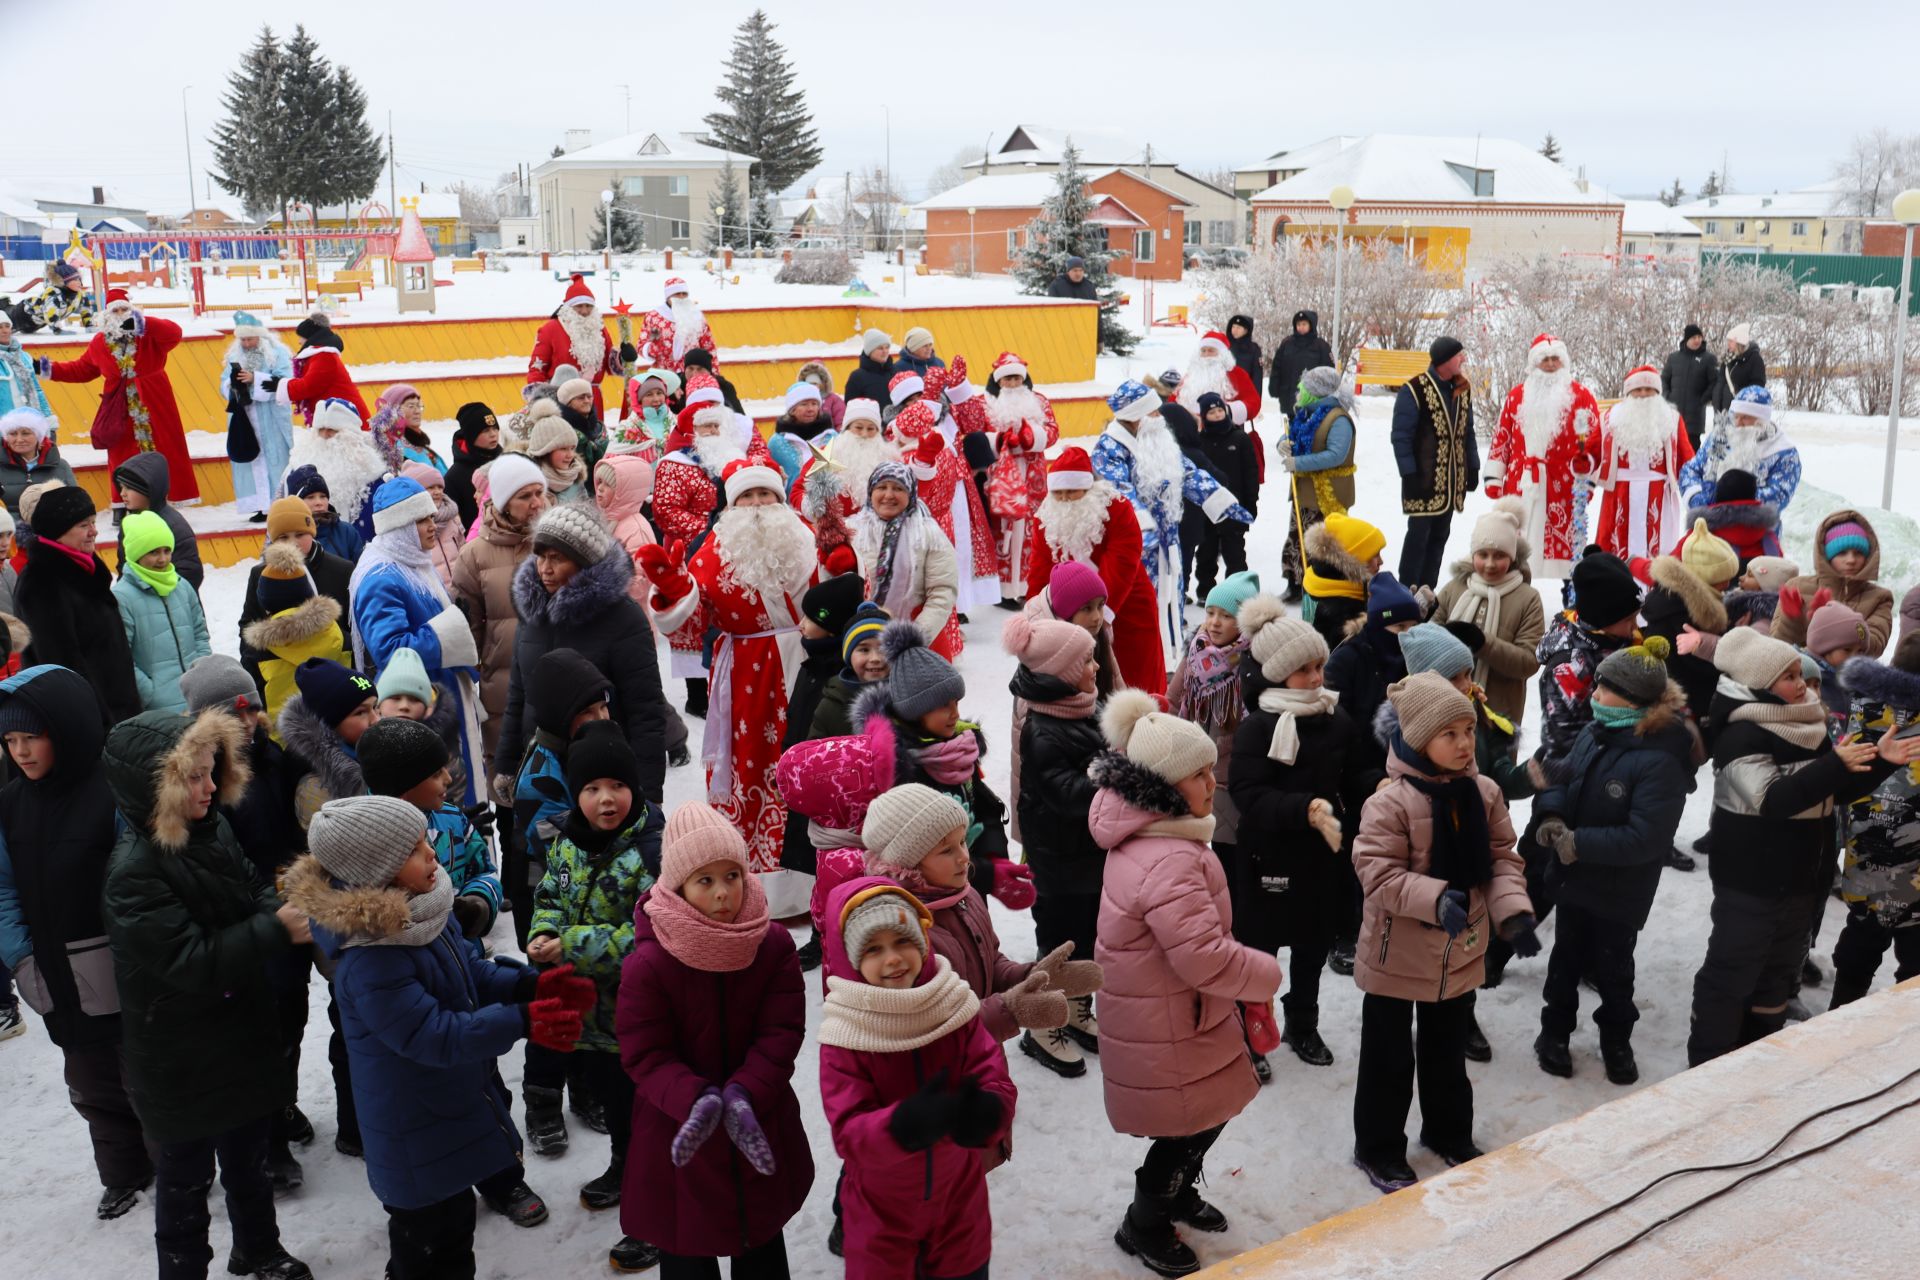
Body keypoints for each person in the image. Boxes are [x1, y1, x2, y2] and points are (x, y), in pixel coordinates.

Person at [284, 795, 576, 1278]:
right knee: (427, 1252)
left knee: (455, 1236)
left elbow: (469, 973)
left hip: (446, 1111)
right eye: (415, 848)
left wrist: (529, 983)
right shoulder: (372, 959)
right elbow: (434, 1036)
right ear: (378, 872)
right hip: (413, 1135)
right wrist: (524, 1020)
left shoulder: (419, 915)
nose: (432, 853)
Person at [102, 707, 313, 1280]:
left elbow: (251, 885)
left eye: (210, 771)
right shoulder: (134, 872)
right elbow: (186, 961)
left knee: (248, 1161)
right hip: (179, 1058)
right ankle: (184, 1267)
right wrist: (276, 930)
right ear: (158, 787)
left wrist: (277, 910)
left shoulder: (211, 826)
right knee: (185, 1180)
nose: (211, 785)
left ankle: (259, 1249)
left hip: (236, 1032)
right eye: (193, 776)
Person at [1088, 690, 1278, 1275]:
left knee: (1202, 1113)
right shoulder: (1167, 857)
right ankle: (1145, 1220)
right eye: (1198, 774)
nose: (1209, 781)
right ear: (1165, 787)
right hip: (1169, 1018)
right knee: (1191, 1122)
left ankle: (1173, 1193)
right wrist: (1264, 973)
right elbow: (1201, 957)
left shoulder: (1162, 835)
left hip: (1175, 1011)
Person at [1688, 628, 1915, 1065]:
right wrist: (1833, 764)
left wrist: (1880, 762)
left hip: (1801, 880)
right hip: (1751, 882)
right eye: (1789, 676)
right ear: (1758, 683)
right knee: (1731, 975)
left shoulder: (1806, 723)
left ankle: (1756, 1055)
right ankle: (1707, 1065)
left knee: (1778, 974)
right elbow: (1774, 800)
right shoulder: (1740, 735)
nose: (1803, 684)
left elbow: (1831, 792)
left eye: (1801, 674)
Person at [1350, 673, 1535, 1193]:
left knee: (1447, 1053)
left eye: (1467, 730)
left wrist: (1513, 912)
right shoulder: (1390, 802)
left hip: (1460, 949)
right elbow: (1377, 873)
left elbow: (1501, 858)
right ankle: (1379, 1147)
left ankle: (1449, 1133)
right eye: (1447, 733)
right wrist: (1434, 898)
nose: (1462, 743)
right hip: (1396, 954)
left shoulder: (1485, 792)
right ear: (1416, 738)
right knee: (1388, 1059)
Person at [617, 802, 814, 1279]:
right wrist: (697, 1099)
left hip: (758, 1119)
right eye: (705, 881)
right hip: (680, 1132)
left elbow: (781, 1031)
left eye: (732, 875)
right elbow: (645, 1053)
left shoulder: (771, 946)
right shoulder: (650, 963)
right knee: (687, 1247)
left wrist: (746, 1092)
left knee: (761, 1249)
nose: (724, 892)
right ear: (679, 886)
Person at [0, 664, 152, 1220]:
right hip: (55, 974)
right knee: (90, 1085)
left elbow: (140, 882)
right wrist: (20, 956)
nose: (20, 750)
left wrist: (133, 953)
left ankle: (177, 1164)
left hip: (123, 969)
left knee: (144, 1078)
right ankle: (123, 1172)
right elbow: (2, 889)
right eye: (10, 739)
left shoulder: (112, 792)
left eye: (31, 736)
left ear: (65, 729)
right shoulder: (11, 803)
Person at [641, 462, 818, 916]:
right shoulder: (711, 553)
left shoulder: (809, 541)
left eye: (766, 495)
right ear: (731, 504)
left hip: (814, 665)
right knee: (755, 767)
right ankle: (763, 886)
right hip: (748, 675)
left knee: (812, 761)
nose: (758, 506)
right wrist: (674, 591)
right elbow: (690, 627)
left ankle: (817, 876)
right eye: (747, 497)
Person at [527, 722, 664, 1273]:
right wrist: (542, 930)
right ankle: (622, 1168)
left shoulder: (650, 853)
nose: (605, 799)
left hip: (640, 1014)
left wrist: (574, 947)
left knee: (645, 1117)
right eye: (590, 788)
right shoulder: (566, 842)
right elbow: (550, 894)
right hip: (592, 1018)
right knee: (615, 1105)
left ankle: (652, 1219)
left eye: (616, 785)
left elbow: (658, 934)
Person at [1529, 640, 1694, 1085]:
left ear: (1636, 700)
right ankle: (1554, 1033)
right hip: (1574, 878)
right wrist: (1550, 811)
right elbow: (1566, 777)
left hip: (1620, 889)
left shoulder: (1659, 758)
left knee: (1613, 969)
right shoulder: (1596, 730)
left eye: (1605, 688)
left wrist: (1578, 842)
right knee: (1564, 962)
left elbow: (1647, 838)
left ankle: (1616, 1040)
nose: (1594, 695)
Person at [865, 781, 1096, 1095]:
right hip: (940, 1092)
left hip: (984, 1061)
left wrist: (1028, 976)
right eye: (947, 850)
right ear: (909, 860)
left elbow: (990, 958)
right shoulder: (900, 933)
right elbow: (933, 1030)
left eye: (963, 842)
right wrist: (1011, 1008)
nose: (964, 858)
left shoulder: (963, 896)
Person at [1231, 600, 1383, 1076]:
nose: (1317, 678)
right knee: (1261, 953)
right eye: (1304, 670)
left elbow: (1354, 771)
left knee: (1312, 948)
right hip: (1269, 856)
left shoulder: (1336, 721)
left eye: (1319, 666)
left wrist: (1375, 782)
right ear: (1278, 674)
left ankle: (1303, 1022)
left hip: (1322, 858)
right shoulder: (1259, 727)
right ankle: (1252, 1029)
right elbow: (1247, 793)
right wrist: (1303, 809)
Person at [495, 502, 667, 814]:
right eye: (540, 556)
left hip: (603, 780)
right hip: (541, 773)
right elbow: (520, 695)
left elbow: (645, 708)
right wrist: (508, 765)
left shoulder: (622, 618)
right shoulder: (534, 613)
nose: (544, 568)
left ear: (584, 563)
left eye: (556, 558)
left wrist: (649, 788)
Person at [1004, 608, 1106, 1075]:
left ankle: (1076, 1006)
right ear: (1063, 674)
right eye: (1087, 662)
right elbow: (1068, 795)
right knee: (1058, 944)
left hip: (1087, 854)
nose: (1097, 667)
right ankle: (1042, 1026)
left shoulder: (1082, 707)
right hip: (1058, 859)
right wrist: (1113, 774)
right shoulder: (1043, 729)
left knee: (1087, 936)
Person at [1094, 380, 1253, 670]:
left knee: (1170, 600)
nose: (1159, 418)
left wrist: (1224, 504)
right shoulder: (1109, 448)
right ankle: (1137, 666)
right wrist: (1143, 528)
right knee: (1140, 608)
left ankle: (1168, 663)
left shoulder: (1158, 442)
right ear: (1134, 415)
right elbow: (1117, 491)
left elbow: (1189, 474)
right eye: (1153, 412)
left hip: (1168, 543)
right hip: (1134, 547)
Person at [350, 477, 489, 803]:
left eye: (431, 516)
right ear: (399, 526)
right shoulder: (381, 578)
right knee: (448, 802)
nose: (433, 524)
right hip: (421, 710)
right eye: (422, 519)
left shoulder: (411, 563)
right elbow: (390, 651)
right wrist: (448, 632)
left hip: (438, 700)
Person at [651, 402, 773, 717]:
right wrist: (710, 533)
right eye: (706, 427)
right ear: (691, 431)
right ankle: (698, 695)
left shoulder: (735, 459)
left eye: (716, 427)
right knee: (698, 620)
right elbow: (666, 511)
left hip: (740, 543)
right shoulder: (674, 463)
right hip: (693, 547)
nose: (712, 433)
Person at [1026, 448, 1165, 695]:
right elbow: (1040, 569)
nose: (1066, 499)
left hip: (1126, 604)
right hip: (1071, 614)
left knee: (1136, 676)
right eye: (1058, 493)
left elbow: (1123, 560)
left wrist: (1104, 614)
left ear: (1088, 488)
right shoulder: (1045, 518)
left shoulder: (1117, 508)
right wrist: (1034, 618)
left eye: (1072, 491)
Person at [1828, 639, 1920, 1008]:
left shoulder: (1862, 706)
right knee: (1914, 956)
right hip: (1911, 853)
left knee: (1862, 937)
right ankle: (1905, 1030)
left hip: (1868, 841)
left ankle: (1840, 1014)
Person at [50, 289, 200, 506]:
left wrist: (143, 324)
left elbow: (174, 333)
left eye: (125, 309)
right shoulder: (100, 342)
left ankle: (168, 498)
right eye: (116, 310)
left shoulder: (148, 335)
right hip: (118, 404)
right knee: (121, 450)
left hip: (155, 398)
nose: (120, 314)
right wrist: (46, 369)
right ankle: (125, 502)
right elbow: (82, 369)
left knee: (166, 446)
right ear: (107, 315)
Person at [15, 484, 140, 725]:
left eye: (93, 523)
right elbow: (62, 665)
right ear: (57, 532)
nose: (94, 531)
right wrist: (103, 722)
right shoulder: (41, 583)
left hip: (120, 712)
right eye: (84, 525)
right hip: (89, 719)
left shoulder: (86, 569)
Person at [1485, 334, 1603, 579]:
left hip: (1564, 485)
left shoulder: (1581, 397)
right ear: (1534, 363)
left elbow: (1594, 441)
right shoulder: (1516, 396)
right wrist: (1494, 476)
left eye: (1555, 359)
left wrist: (1587, 479)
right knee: (1516, 542)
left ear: (1564, 362)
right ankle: (1516, 592)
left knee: (1568, 550)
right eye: (1545, 359)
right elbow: (1502, 437)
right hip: (1522, 482)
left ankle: (1570, 598)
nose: (1550, 364)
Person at [1434, 500, 1544, 726]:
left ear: (1513, 556)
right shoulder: (1455, 587)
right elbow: (1427, 639)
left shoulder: (1528, 599)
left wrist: (1483, 643)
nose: (1490, 564)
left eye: (1499, 555)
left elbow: (1529, 662)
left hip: (1497, 715)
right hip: (1445, 710)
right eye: (1482, 554)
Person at [1534, 549, 1644, 771]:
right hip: (1590, 771)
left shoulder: (1621, 639)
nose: (1636, 627)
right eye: (1628, 619)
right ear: (1601, 620)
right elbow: (1561, 744)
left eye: (1636, 617)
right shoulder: (1568, 670)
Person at [237, 497, 357, 687]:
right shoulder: (261, 574)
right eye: (283, 537)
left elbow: (353, 625)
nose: (293, 543)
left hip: (335, 672)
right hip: (280, 676)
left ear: (312, 531)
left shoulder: (341, 570)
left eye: (300, 534)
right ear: (273, 540)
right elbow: (248, 622)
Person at [1391, 336, 1479, 590]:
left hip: (1449, 485)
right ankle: (1407, 591)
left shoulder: (1462, 389)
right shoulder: (1414, 390)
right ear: (1443, 360)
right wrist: (1408, 473)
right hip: (1422, 480)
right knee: (1418, 538)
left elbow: (1468, 433)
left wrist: (1472, 467)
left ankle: (1427, 593)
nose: (1463, 359)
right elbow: (1401, 436)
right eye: (1458, 355)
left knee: (1439, 538)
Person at [849, 461, 960, 659]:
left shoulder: (928, 534)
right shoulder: (853, 531)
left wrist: (914, 636)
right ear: (870, 492)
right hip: (863, 644)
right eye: (881, 487)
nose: (889, 495)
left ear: (910, 494)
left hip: (917, 643)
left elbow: (942, 591)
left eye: (898, 488)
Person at [241, 541, 347, 740]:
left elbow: (255, 704)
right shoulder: (341, 638)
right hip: (338, 742)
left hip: (285, 748)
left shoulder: (256, 652)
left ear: (265, 603)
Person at [979, 351, 1060, 606]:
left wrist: (1029, 436)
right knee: (1001, 531)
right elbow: (978, 437)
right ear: (998, 381)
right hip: (1000, 477)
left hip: (1033, 476)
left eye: (1016, 378)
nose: (1012, 384)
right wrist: (1000, 441)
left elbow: (1053, 431)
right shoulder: (985, 403)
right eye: (1007, 379)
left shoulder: (1039, 401)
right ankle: (1001, 590)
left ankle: (1029, 585)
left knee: (1032, 532)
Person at [112, 511, 211, 713]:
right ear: (136, 554)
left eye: (167, 550)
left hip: (198, 697)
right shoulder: (122, 597)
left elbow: (200, 635)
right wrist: (149, 693)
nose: (162, 559)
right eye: (154, 552)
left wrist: (203, 673)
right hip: (158, 709)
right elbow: (121, 656)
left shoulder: (182, 587)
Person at [1595, 365, 1695, 562]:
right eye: (1637, 390)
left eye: (1648, 389)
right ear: (1628, 392)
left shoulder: (1671, 419)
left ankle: (1656, 589)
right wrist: (1583, 462)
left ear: (1657, 392)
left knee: (1658, 552)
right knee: (1615, 550)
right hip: (1619, 494)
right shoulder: (1609, 419)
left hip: (1657, 495)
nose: (1643, 394)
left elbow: (1687, 459)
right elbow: (1591, 452)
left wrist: (1694, 489)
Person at [1277, 366, 1358, 601]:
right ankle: (1295, 583)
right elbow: (1293, 435)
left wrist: (1298, 463)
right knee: (1297, 536)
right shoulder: (1306, 413)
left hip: (1328, 493)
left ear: (1317, 391)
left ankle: (1319, 586)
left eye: (1305, 387)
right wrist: (1283, 443)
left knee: (1321, 542)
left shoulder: (1338, 419)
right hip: (1304, 491)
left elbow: (1336, 455)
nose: (1299, 391)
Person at [1771, 510, 1893, 658]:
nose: (1851, 560)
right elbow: (1776, 647)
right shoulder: (1796, 586)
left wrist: (1829, 622)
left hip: (1848, 677)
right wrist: (1793, 620)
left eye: (1858, 553)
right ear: (1826, 556)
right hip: (1802, 676)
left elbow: (1875, 646)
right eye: (1842, 553)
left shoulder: (1880, 598)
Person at [1679, 385, 1800, 529]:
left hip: (1755, 535)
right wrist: (1695, 497)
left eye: (1746, 418)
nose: (1738, 423)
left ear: (1762, 419)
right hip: (1709, 530)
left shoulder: (1783, 452)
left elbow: (1780, 494)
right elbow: (1691, 469)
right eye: (1735, 416)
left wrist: (1727, 502)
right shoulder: (1720, 438)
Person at [219, 313, 295, 522]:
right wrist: (233, 385)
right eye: (242, 339)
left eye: (250, 339)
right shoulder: (235, 356)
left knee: (275, 458)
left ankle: (278, 503)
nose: (246, 343)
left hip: (270, 416)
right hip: (246, 416)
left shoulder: (277, 353)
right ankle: (260, 506)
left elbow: (285, 381)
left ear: (260, 337)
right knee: (251, 461)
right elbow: (223, 382)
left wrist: (256, 379)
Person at [286, 397, 388, 542]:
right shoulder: (297, 466)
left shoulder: (373, 472)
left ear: (351, 434)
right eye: (320, 430)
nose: (325, 436)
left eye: (332, 430)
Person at [529, 275, 633, 415]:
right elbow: (537, 368)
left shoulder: (599, 328)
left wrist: (622, 357)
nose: (584, 311)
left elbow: (610, 365)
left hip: (592, 399)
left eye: (589, 306)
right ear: (569, 307)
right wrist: (540, 401)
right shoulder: (550, 329)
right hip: (563, 400)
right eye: (579, 306)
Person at [1191, 394, 1258, 602]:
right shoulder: (1199, 441)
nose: (1218, 415)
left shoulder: (1240, 438)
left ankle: (1237, 594)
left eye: (1220, 410)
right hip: (1207, 509)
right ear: (1204, 416)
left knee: (1235, 553)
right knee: (1206, 552)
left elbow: (1250, 473)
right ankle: (1205, 591)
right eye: (1211, 412)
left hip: (1234, 507)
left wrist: (1251, 503)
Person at [280, 313, 368, 426]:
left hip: (346, 421)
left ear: (310, 337)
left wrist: (280, 385)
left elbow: (309, 386)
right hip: (336, 419)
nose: (299, 342)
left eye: (301, 337)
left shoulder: (324, 356)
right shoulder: (318, 355)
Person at [1177, 330, 1264, 444]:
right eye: (1203, 351)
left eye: (1211, 350)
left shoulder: (1237, 374)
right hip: (1193, 437)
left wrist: (1226, 411)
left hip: (1228, 437)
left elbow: (1253, 402)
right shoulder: (1191, 375)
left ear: (1222, 353)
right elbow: (1175, 401)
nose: (1206, 355)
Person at [0, 406, 78, 514]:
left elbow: (76, 506)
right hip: (8, 530)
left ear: (39, 436)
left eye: (26, 433)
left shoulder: (61, 467)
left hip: (50, 529)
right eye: (13, 434)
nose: (19, 439)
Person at [284, 464, 368, 563]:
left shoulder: (346, 532)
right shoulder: (285, 535)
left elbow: (360, 572)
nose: (319, 502)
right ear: (296, 502)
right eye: (310, 497)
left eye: (323, 496)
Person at [399, 462, 464, 590]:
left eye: (440, 487)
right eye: (430, 488)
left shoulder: (452, 517)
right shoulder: (411, 525)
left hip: (461, 588)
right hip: (433, 592)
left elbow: (463, 548)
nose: (437, 492)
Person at [637, 277, 712, 378]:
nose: (681, 297)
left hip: (692, 375)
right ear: (668, 296)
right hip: (663, 375)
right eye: (677, 294)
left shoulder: (696, 316)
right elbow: (641, 347)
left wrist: (713, 376)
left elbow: (709, 347)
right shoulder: (654, 316)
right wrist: (655, 347)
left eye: (684, 294)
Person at [444, 402, 501, 530]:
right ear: (471, 435)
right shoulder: (454, 476)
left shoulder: (507, 460)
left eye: (495, 428)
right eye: (486, 430)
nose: (493, 434)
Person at [1661, 324, 1719, 448]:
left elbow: (1715, 382)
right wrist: (1667, 396)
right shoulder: (1674, 358)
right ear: (1687, 339)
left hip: (1695, 417)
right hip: (1673, 414)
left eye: (1699, 337)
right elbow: (1664, 379)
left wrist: (1702, 399)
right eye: (1694, 337)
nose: (1697, 340)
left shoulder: (1709, 359)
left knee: (1692, 451)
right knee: (1672, 449)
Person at [1268, 309, 1334, 417]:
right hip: (1289, 397)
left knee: (1310, 430)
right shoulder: (1287, 343)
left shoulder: (1321, 346)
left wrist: (1326, 392)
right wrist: (1274, 387)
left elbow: (1329, 371)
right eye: (1298, 324)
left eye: (1304, 324)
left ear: (1311, 325)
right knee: (1292, 429)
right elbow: (1277, 367)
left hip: (1313, 399)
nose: (1301, 327)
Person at [3, 260, 96, 335]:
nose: (79, 282)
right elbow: (50, 313)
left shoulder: (80, 295)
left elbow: (85, 310)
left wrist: (89, 326)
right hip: (22, 315)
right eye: (74, 280)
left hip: (36, 324)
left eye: (79, 279)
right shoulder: (54, 293)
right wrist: (57, 330)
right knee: (4, 320)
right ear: (64, 282)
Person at [1712, 322, 1766, 414]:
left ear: (1739, 342)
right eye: (1727, 341)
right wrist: (1716, 403)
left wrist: (1741, 398)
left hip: (1741, 412)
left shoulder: (1754, 359)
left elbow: (1757, 386)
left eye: (1731, 341)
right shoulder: (1727, 358)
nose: (1728, 344)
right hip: (1722, 411)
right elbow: (1720, 383)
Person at [842, 328, 896, 406]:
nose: (885, 351)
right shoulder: (857, 377)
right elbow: (851, 408)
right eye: (880, 348)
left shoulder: (895, 372)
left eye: (887, 347)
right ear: (869, 351)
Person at [797, 358, 845, 429]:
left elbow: (840, 423)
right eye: (809, 384)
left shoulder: (834, 400)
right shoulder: (799, 399)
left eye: (815, 383)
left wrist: (836, 438)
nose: (812, 386)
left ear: (822, 384)